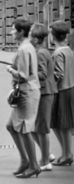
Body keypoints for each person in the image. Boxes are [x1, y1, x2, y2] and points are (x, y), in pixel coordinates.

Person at [6, 19, 41, 178]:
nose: (11, 32)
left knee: (26, 129)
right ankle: (25, 161)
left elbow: (24, 75)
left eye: (13, 30)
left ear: (21, 32)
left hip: (27, 92)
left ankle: (33, 165)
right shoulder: (26, 46)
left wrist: (10, 69)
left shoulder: (24, 48)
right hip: (26, 92)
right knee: (11, 126)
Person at [29, 23, 56, 171]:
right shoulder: (42, 51)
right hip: (44, 92)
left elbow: (42, 74)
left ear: (35, 38)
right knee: (34, 128)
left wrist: (26, 73)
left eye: (30, 35)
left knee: (42, 128)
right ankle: (48, 154)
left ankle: (45, 161)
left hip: (45, 93)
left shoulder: (40, 53)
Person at [50, 20, 74, 166]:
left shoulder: (58, 53)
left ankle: (67, 154)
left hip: (61, 91)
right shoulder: (69, 50)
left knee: (60, 124)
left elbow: (58, 74)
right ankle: (66, 153)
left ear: (53, 36)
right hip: (69, 89)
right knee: (59, 124)